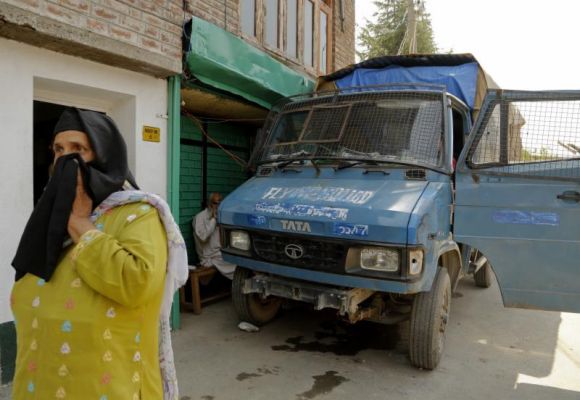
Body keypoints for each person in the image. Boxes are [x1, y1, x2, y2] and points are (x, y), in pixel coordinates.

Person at [10, 108, 188, 400]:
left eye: (79, 149)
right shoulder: (50, 217)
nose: (66, 159)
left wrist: (81, 225)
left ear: (105, 156)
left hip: (110, 385)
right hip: (39, 380)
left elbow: (136, 284)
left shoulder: (138, 214)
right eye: (58, 149)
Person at [193, 193, 236, 279]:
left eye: (221, 203)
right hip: (209, 257)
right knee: (237, 265)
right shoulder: (200, 217)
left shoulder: (220, 216)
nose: (218, 206)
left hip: (220, 252)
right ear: (209, 204)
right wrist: (213, 220)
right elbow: (203, 237)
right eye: (216, 203)